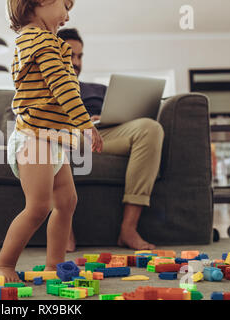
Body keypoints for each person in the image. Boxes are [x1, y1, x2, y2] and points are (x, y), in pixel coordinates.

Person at [0, 0, 103, 282]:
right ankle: (3, 265)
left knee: (66, 201)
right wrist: (86, 124)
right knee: (38, 206)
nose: (67, 15)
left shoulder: (43, 41)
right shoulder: (40, 41)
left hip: (49, 139)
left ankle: (55, 265)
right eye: (64, 6)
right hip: (34, 138)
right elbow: (62, 87)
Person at [57, 28, 165, 251]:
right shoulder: (45, 87)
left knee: (150, 128)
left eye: (80, 56)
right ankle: (64, 230)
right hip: (66, 136)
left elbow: (120, 112)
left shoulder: (97, 90)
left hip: (104, 133)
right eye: (70, 56)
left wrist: (102, 119)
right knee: (45, 140)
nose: (76, 62)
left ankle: (128, 229)